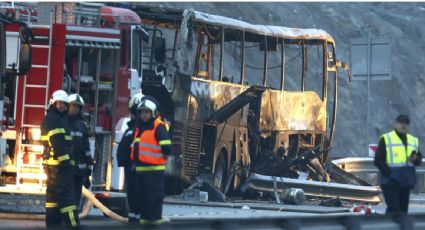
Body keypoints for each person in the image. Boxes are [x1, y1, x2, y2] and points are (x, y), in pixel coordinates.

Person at [41, 90, 79, 229]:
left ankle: (52, 225)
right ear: (54, 103)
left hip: (53, 167)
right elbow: (58, 142)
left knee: (53, 199)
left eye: (65, 104)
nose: (64, 106)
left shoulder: (52, 118)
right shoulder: (54, 119)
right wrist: (66, 163)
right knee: (66, 198)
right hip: (59, 167)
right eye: (61, 103)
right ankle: (73, 226)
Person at [130, 98, 171, 226]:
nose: (144, 114)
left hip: (155, 169)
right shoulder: (139, 128)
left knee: (155, 195)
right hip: (141, 170)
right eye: (142, 112)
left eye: (147, 112)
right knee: (142, 196)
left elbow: (166, 146)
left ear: (152, 113)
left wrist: (162, 157)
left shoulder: (158, 126)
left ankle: (155, 218)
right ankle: (145, 218)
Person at [374, 114, 422, 215]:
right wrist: (390, 173)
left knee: (403, 211)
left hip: (406, 182)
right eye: (401, 122)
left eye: (406, 123)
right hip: (390, 182)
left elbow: (418, 160)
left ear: (409, 125)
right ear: (395, 124)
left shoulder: (413, 140)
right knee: (394, 208)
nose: (403, 125)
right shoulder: (386, 138)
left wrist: (415, 159)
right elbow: (378, 160)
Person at [116, 92, 144, 223]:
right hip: (136, 173)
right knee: (135, 206)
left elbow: (122, 151)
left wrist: (128, 164)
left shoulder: (137, 130)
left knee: (136, 204)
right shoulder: (134, 129)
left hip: (138, 173)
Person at [66, 94, 93, 210]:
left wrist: (87, 173)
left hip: (78, 169)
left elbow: (86, 149)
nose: (75, 108)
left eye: (77, 106)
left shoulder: (82, 125)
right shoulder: (62, 122)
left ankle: (74, 218)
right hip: (65, 168)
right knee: (67, 196)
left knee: (76, 196)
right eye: (73, 106)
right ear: (68, 106)